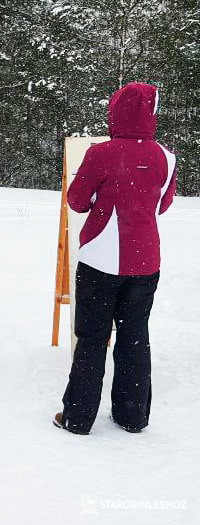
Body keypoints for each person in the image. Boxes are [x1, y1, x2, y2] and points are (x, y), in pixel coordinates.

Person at [54, 82, 177, 435]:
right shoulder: (167, 157)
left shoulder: (101, 153)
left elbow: (76, 200)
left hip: (100, 261)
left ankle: (78, 418)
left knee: (92, 338)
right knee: (135, 336)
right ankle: (132, 415)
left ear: (116, 111)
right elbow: (162, 205)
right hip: (146, 262)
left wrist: (102, 205)